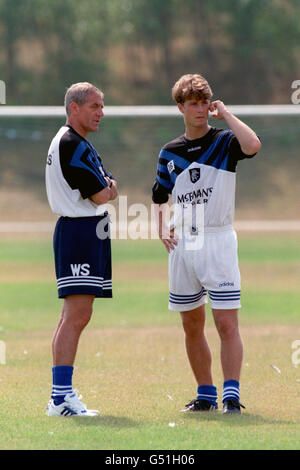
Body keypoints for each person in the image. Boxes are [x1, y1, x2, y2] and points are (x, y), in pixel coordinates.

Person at [152, 74, 261, 414]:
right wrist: (160, 227)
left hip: (217, 239)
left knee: (226, 322)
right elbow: (159, 196)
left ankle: (231, 396)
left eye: (204, 102)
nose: (199, 109)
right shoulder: (169, 152)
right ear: (180, 107)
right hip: (183, 243)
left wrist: (225, 113)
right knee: (191, 323)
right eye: (193, 103)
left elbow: (253, 145)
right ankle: (205, 394)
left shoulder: (225, 142)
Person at [45, 82, 118, 417]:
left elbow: (105, 185)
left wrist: (107, 186)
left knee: (73, 316)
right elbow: (103, 193)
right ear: (74, 108)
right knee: (76, 315)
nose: (101, 113)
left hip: (86, 231)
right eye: (94, 106)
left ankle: (61, 394)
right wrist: (110, 187)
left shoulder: (78, 143)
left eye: (102, 106)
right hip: (80, 232)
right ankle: (60, 399)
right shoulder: (71, 143)